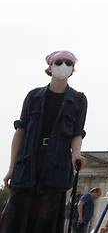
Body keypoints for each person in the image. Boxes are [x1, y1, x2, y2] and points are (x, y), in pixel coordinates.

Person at [0, 50, 88, 233]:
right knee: (16, 217)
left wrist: (77, 154)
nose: (64, 66)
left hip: (56, 164)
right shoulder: (33, 96)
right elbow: (21, 131)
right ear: (49, 66)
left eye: (68, 63)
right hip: (29, 160)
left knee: (46, 219)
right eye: (59, 62)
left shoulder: (79, 99)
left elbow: (77, 133)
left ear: (73, 69)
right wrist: (11, 167)